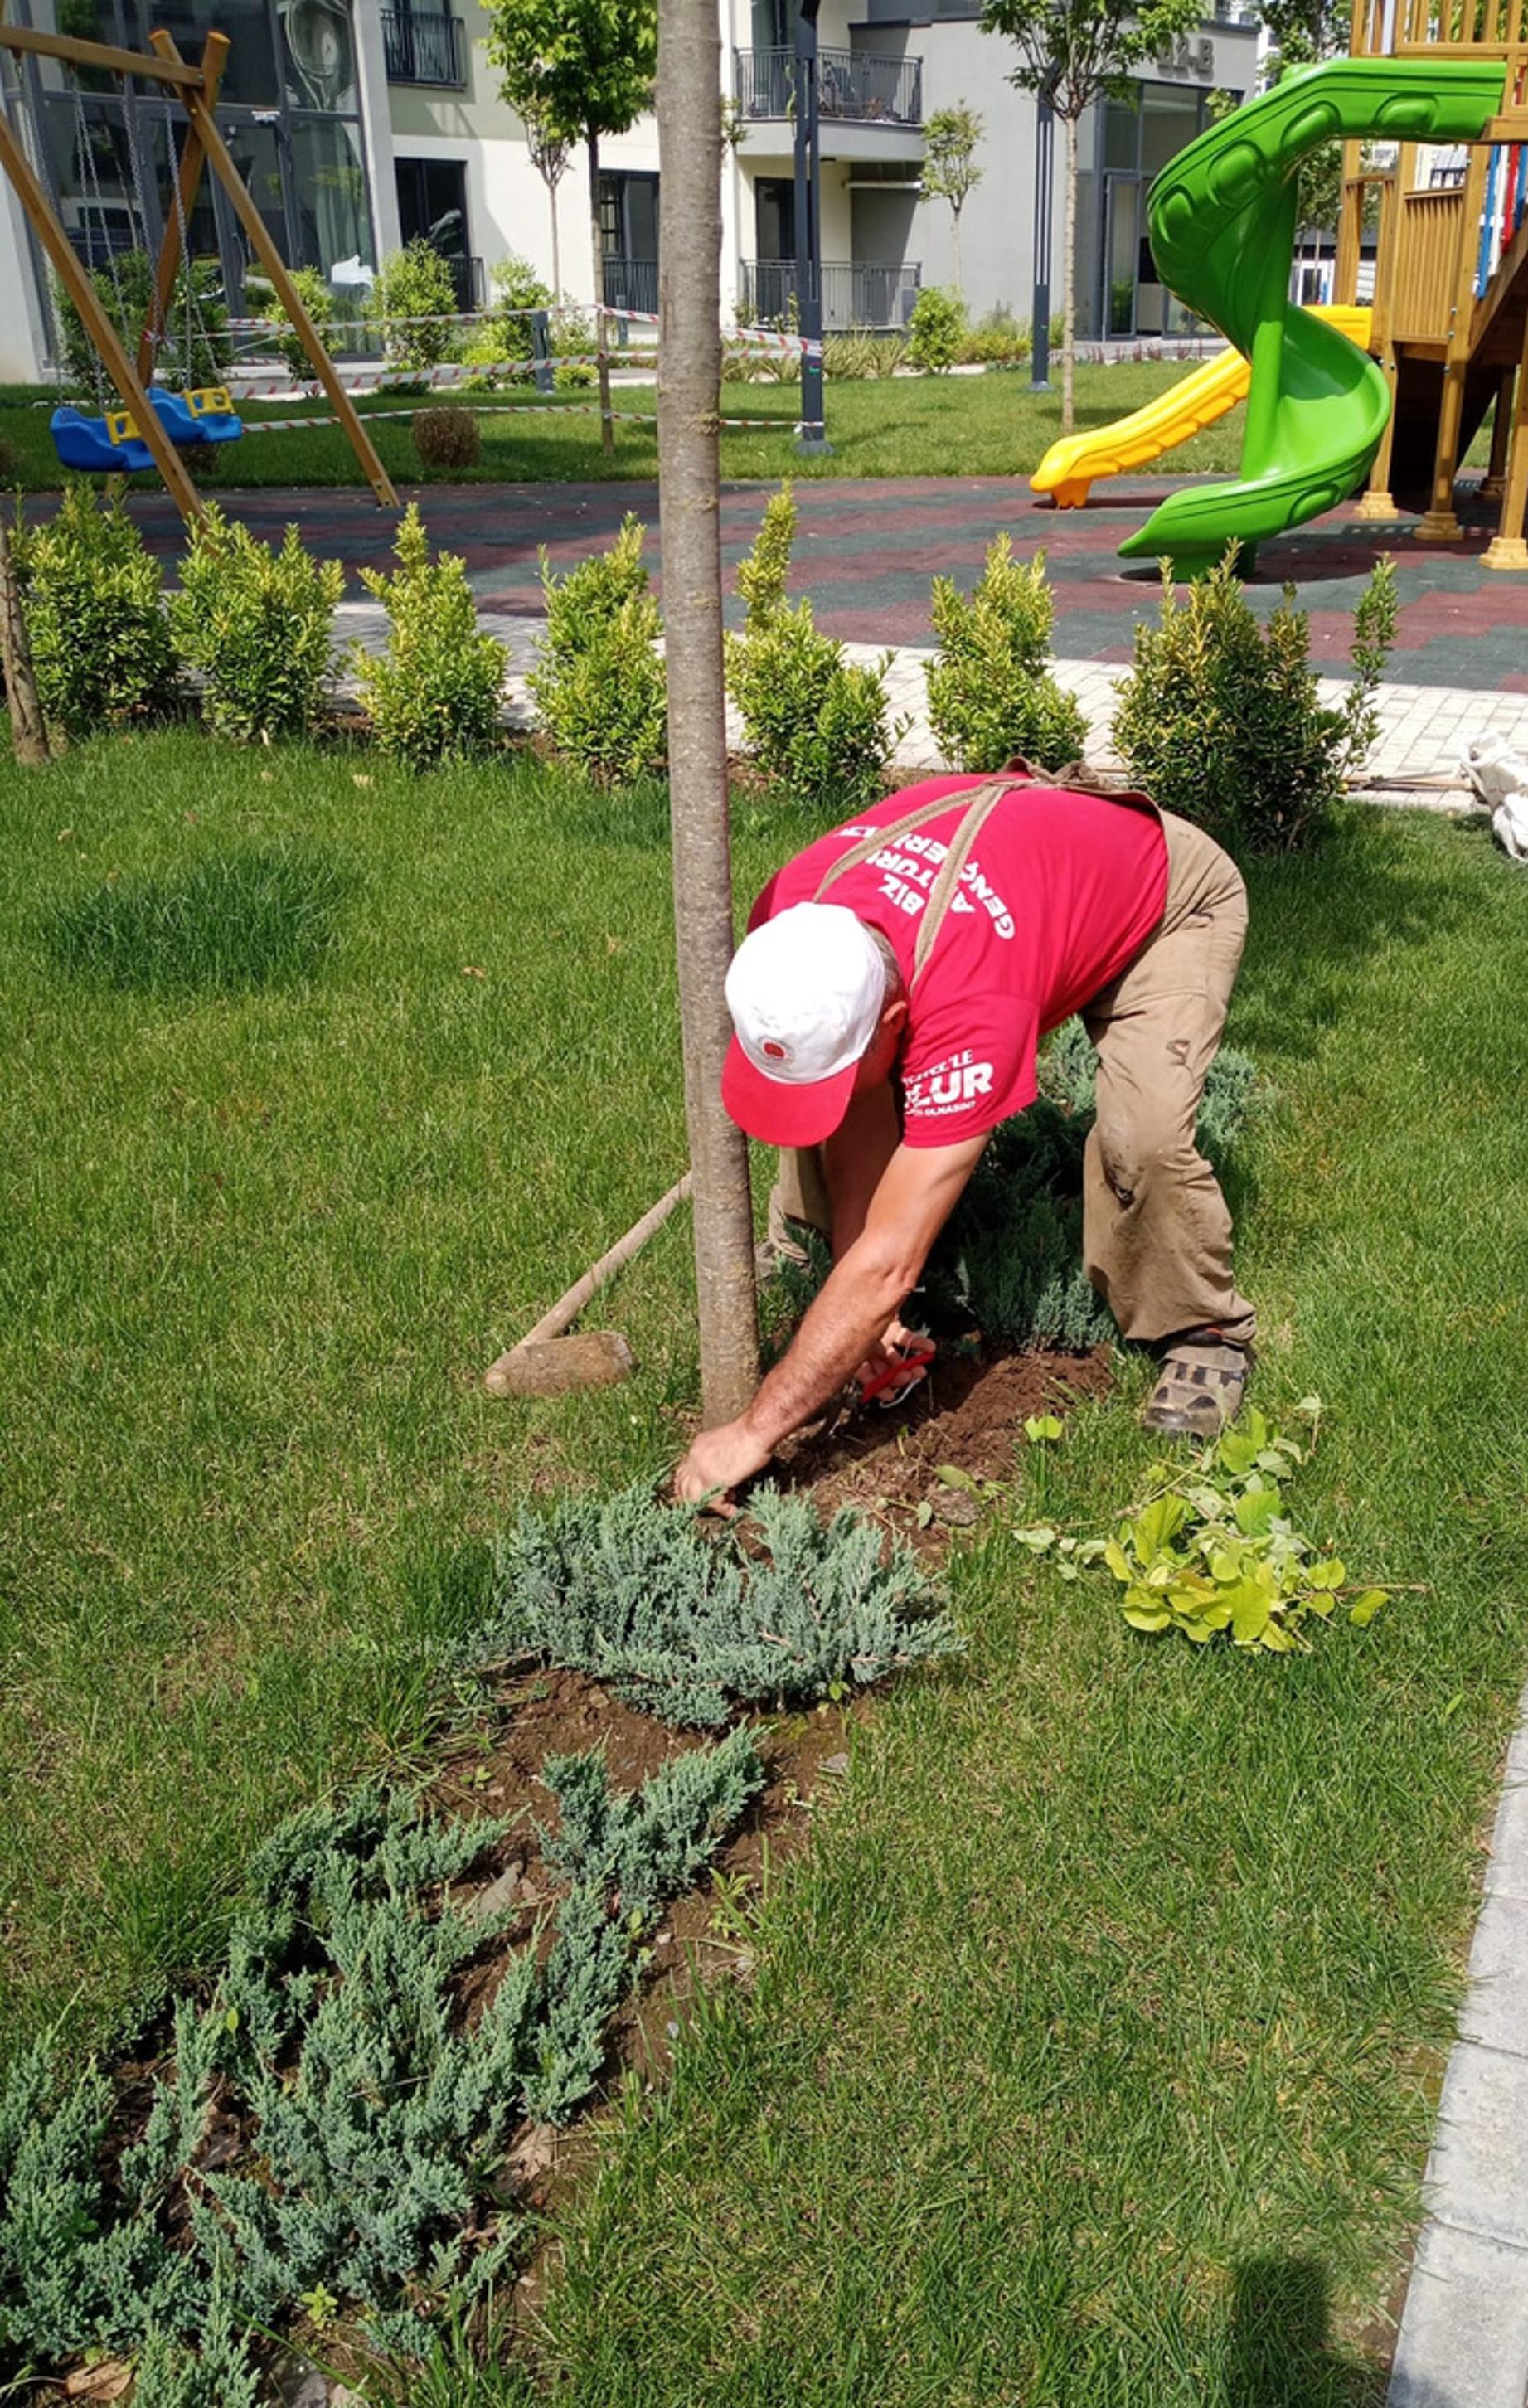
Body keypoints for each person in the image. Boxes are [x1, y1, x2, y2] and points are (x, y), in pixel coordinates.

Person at [673, 765, 1254, 1511]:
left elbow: (890, 1261)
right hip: (1037, 889)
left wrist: (755, 1429)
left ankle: (1206, 1330)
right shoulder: (790, 920)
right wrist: (865, 1311)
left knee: (1141, 1140)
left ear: (893, 1022)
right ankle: (814, 1248)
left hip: (1165, 897)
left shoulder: (971, 1008)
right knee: (854, 1103)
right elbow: (859, 1114)